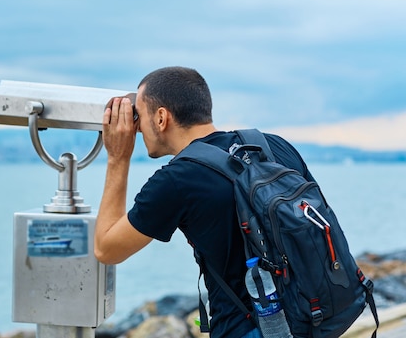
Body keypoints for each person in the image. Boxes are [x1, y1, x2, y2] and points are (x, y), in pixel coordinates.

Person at [94, 66, 315, 338]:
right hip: (311, 318)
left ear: (161, 117)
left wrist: (118, 158)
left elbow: (107, 249)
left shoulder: (177, 180)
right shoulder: (272, 146)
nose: (137, 127)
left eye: (139, 114)